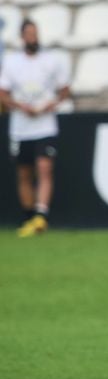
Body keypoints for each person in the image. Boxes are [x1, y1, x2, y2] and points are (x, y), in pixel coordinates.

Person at [0, 19, 71, 237]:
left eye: (35, 33)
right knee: (24, 172)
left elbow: (64, 90)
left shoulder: (51, 61)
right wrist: (19, 106)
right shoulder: (12, 62)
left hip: (44, 124)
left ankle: (41, 216)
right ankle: (29, 217)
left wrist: (49, 105)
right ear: (22, 37)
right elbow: (3, 93)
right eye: (29, 34)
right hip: (21, 126)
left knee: (44, 168)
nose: (33, 37)